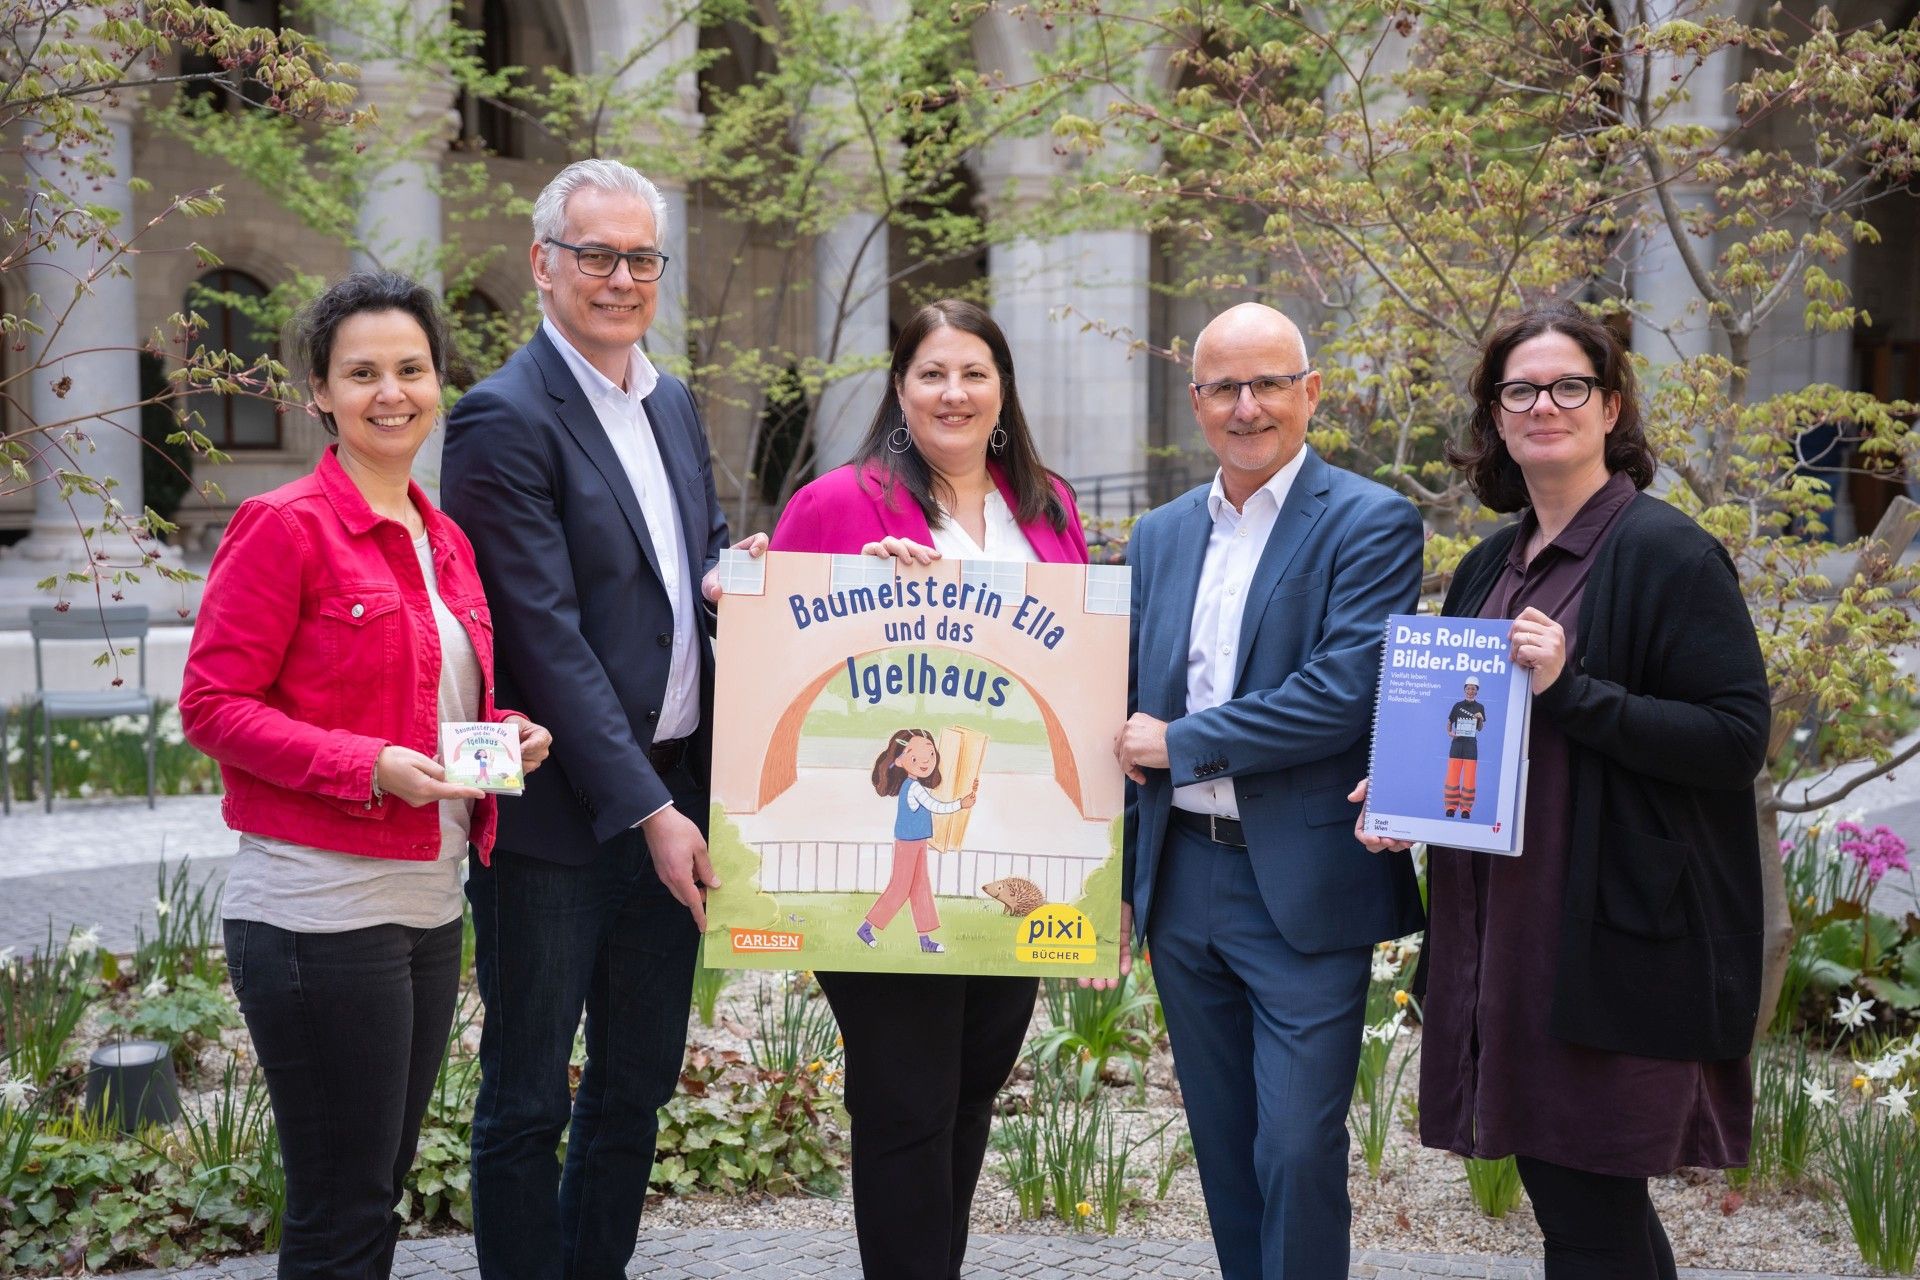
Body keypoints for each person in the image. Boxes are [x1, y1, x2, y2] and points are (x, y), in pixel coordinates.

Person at [1356, 303, 1768, 1279]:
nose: (1545, 403)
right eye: (1521, 389)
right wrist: (1404, 787)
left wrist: (1571, 686)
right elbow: (1471, 730)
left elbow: (1733, 739)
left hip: (1605, 941)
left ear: (1612, 403)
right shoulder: (1491, 565)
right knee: (1583, 1202)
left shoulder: (1669, 554)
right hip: (1502, 935)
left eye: (1569, 384)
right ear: (1496, 417)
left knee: (1588, 1201)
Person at [179, 271, 553, 1280]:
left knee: (374, 1188)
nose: (391, 391)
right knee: (344, 1207)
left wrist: (506, 734)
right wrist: (370, 765)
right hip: (315, 910)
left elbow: (443, 701)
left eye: (412, 368)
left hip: (429, 902)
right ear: (319, 393)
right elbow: (212, 707)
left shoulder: (447, 539)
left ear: (440, 381)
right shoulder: (284, 525)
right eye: (362, 372)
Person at [439, 158, 763, 1280]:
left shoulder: (668, 400)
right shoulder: (501, 417)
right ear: (544, 263)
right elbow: (543, 637)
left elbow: (680, 563)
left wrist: (735, 575)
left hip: (675, 790)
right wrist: (646, 811)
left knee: (636, 1085)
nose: (621, 278)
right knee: (528, 1096)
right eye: (596, 255)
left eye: (641, 258)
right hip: (562, 825)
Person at [769, 298, 1090, 1280]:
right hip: (884, 833)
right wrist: (858, 592)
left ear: (1003, 391)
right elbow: (771, 650)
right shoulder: (838, 505)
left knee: (972, 1086)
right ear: (899, 389)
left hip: (1011, 850)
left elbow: (1079, 655)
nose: (954, 392)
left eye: (974, 373)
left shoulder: (1047, 507)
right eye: (931, 373)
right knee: (907, 1098)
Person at [1115, 302, 1425, 1278]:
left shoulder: (1371, 520)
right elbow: (1119, 699)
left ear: (1311, 391)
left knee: (1295, 1146)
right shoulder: (1159, 534)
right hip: (1183, 885)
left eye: (1269, 384)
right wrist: (1121, 881)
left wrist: (1182, 745)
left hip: (1300, 886)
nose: (1247, 407)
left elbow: (1338, 695)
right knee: (1226, 1151)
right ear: (1196, 399)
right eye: (1223, 387)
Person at [862, 727, 979, 953]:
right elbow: (936, 807)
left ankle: (925, 940)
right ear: (900, 760)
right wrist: (960, 804)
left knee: (920, 889)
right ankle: (867, 927)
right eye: (915, 757)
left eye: (931, 754)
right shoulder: (913, 787)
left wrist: (964, 797)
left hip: (917, 842)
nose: (926, 762)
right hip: (907, 844)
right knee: (900, 888)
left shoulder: (917, 786)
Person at [1444, 677, 1485, 818]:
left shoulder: (1480, 707)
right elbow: (1449, 722)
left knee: (1469, 778)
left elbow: (1480, 729)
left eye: (1473, 688)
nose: (1470, 691)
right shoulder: (1457, 706)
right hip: (1457, 744)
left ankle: (1466, 810)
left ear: (1477, 691)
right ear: (1464, 689)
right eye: (1468, 688)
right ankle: (1450, 807)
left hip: (1471, 746)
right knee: (1452, 776)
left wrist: (1480, 718)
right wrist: (1450, 733)